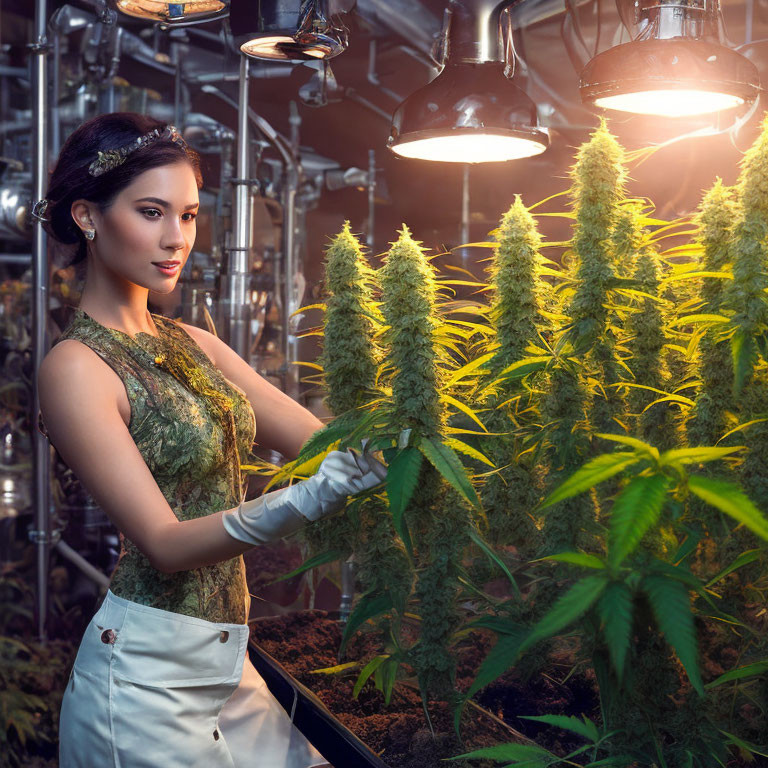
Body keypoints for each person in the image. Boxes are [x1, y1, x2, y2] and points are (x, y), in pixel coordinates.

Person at [35, 112, 388, 768]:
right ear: (87, 216)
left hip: (228, 662)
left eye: (190, 215)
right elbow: (166, 545)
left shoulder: (193, 343)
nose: (177, 239)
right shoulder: (76, 369)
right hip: (142, 686)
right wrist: (314, 497)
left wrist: (407, 417)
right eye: (151, 212)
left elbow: (322, 439)